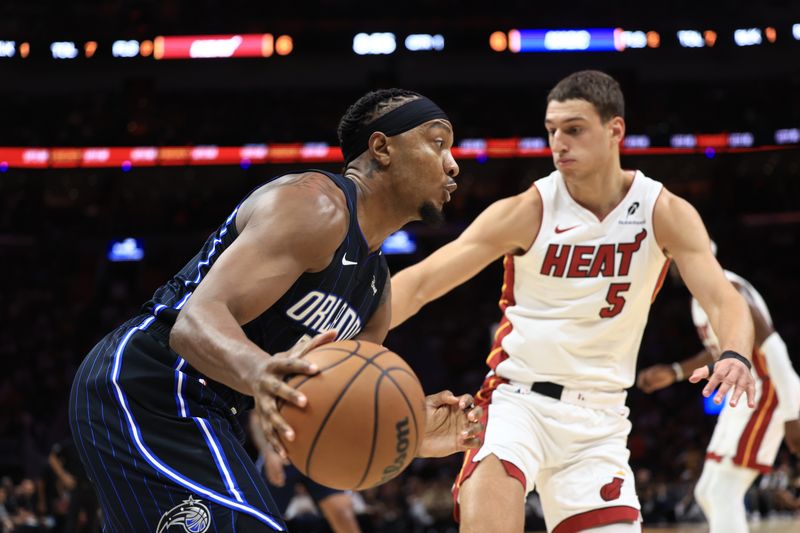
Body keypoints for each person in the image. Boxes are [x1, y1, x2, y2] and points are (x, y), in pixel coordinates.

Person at [68, 88, 484, 532]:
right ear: (382, 148)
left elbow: (335, 406)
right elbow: (193, 324)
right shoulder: (314, 206)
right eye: (438, 143)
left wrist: (411, 429)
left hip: (212, 410)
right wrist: (261, 372)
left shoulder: (376, 290)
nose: (453, 164)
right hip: (147, 383)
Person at [389, 70, 757, 533]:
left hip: (599, 419)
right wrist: (339, 343)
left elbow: (724, 300)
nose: (559, 142)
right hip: (516, 403)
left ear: (615, 130)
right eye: (552, 130)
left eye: (574, 129)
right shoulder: (530, 209)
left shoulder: (664, 212)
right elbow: (419, 284)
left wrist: (736, 353)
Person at [637, 262, 800, 533]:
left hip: (766, 390)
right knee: (707, 490)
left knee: (723, 491)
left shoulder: (731, 289)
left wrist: (793, 413)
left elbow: (774, 348)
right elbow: (721, 351)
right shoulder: (699, 300)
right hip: (744, 394)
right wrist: (675, 371)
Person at [250, 411, 362, 533]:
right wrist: (267, 452)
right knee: (261, 521)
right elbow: (256, 416)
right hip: (280, 453)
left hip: (319, 454)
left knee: (343, 514)